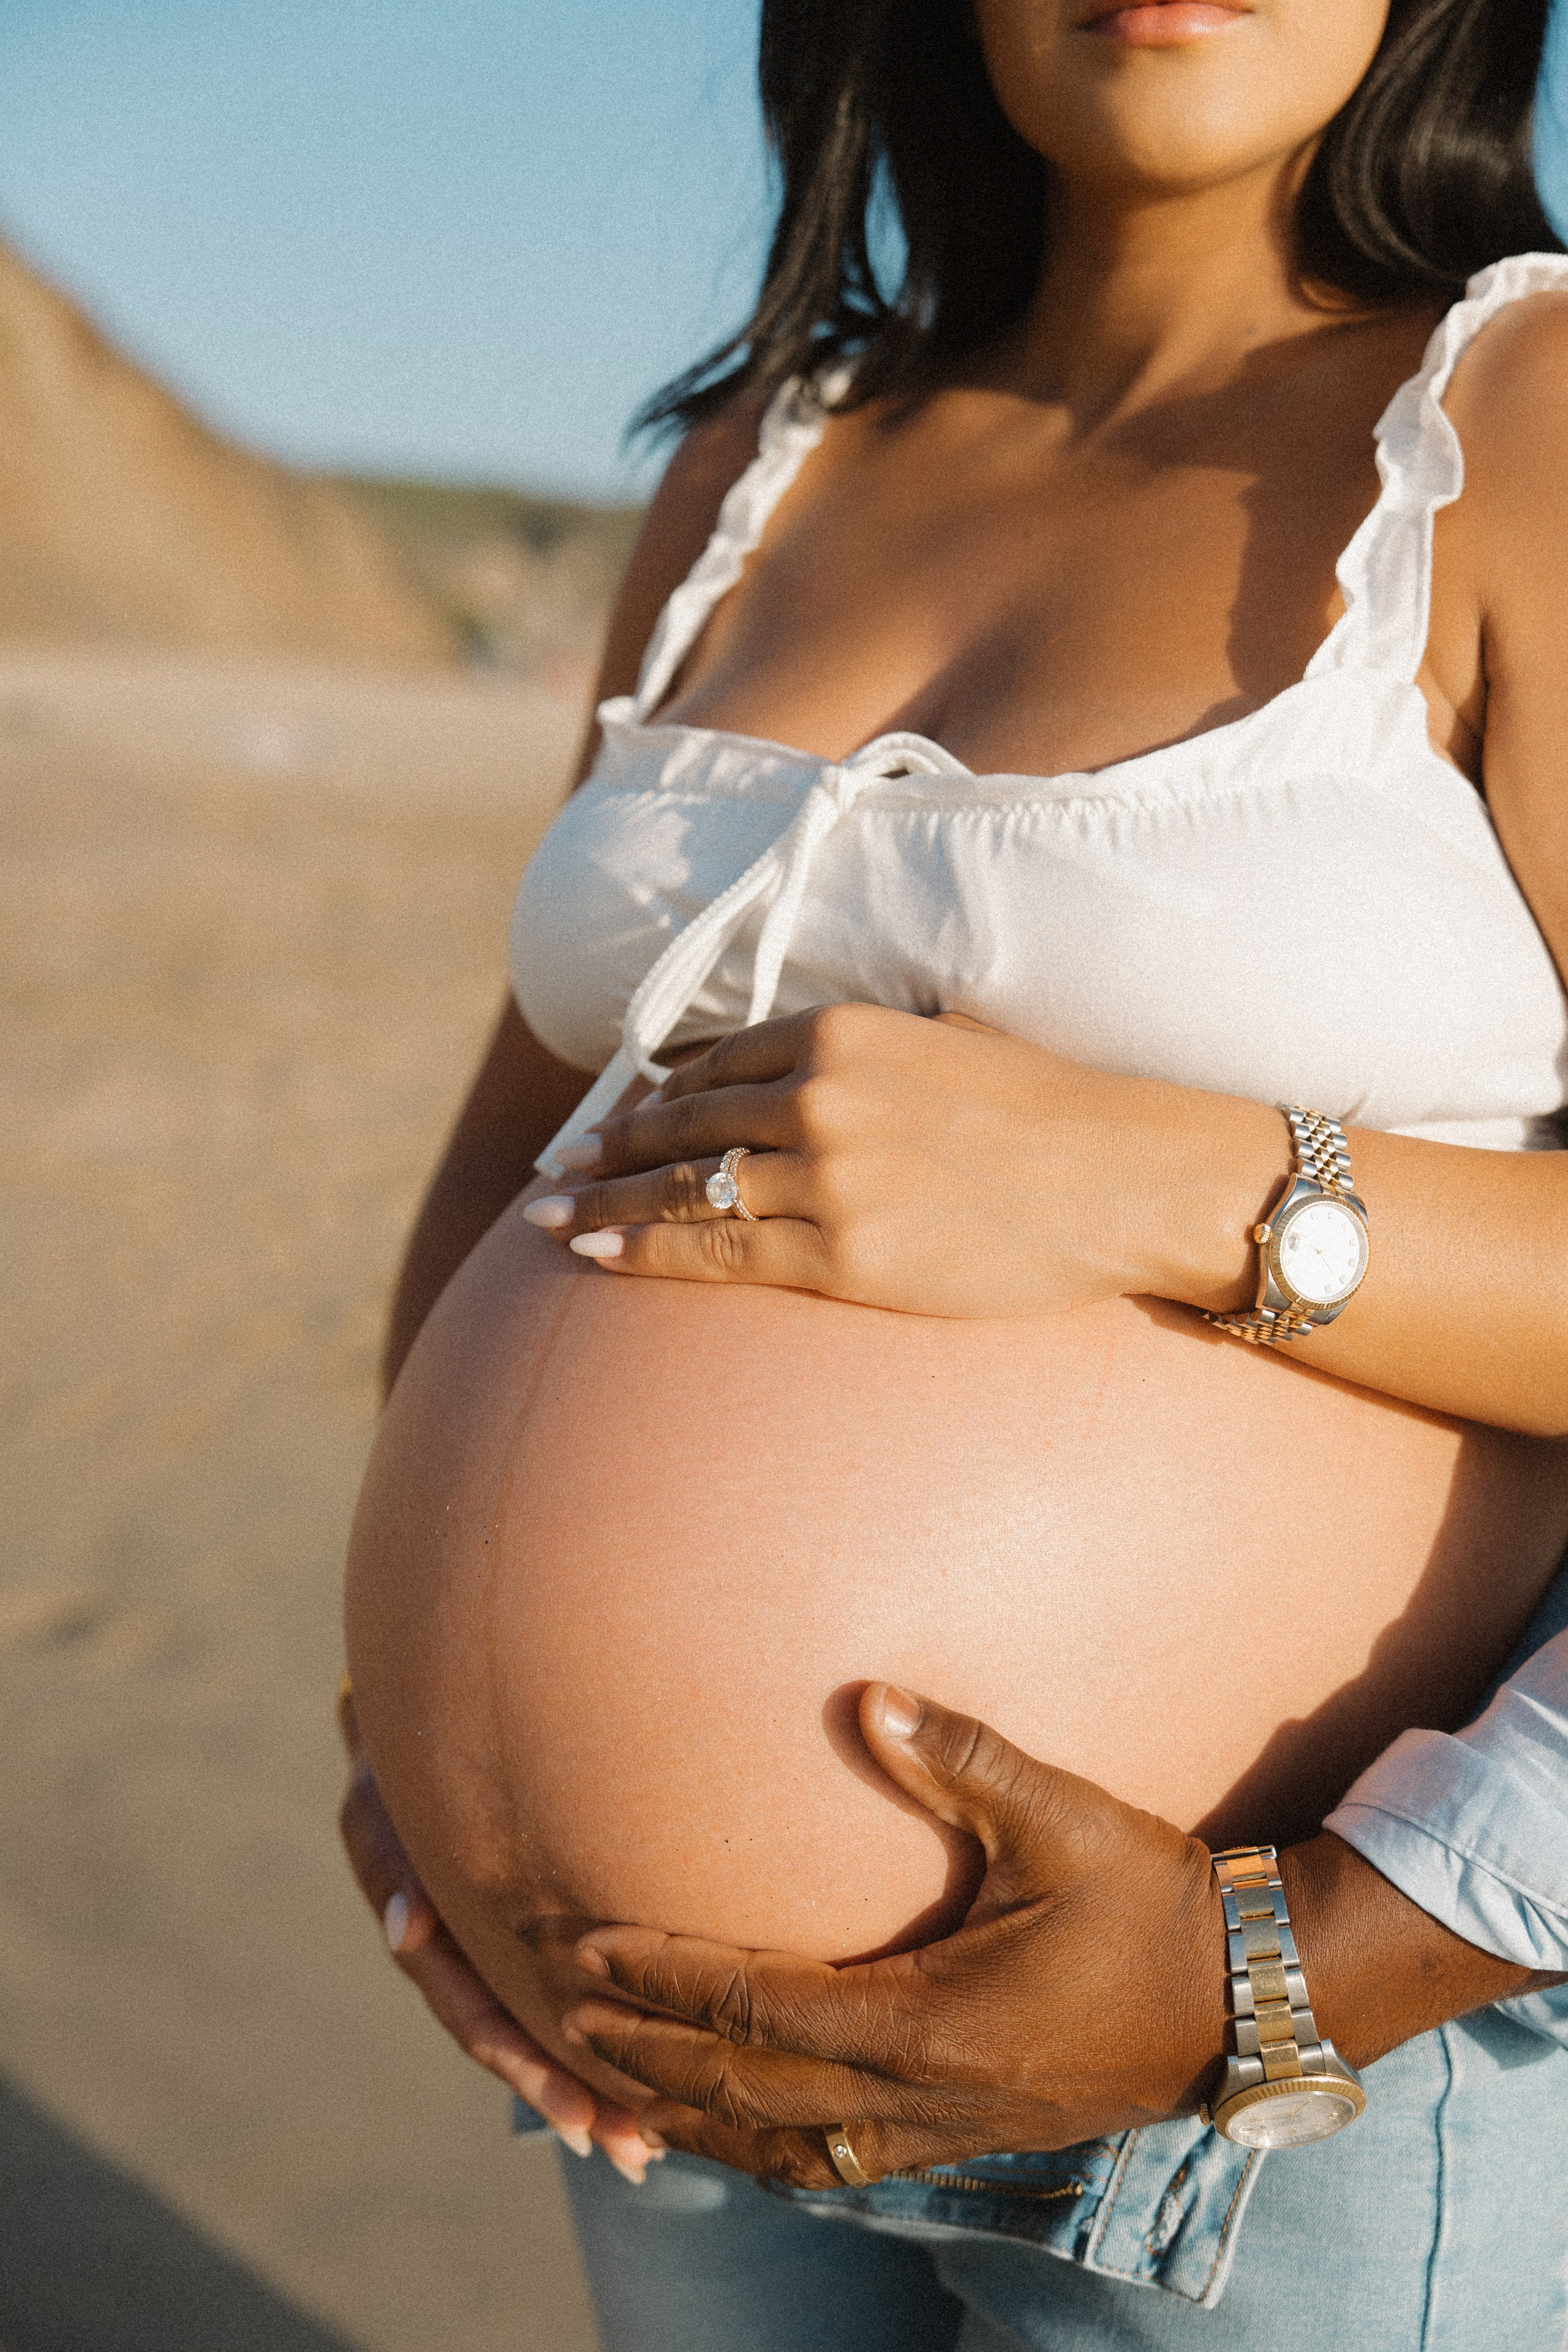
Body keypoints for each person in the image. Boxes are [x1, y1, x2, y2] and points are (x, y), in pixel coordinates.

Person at [340, 0, 1568, 2342]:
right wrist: (401, 1750)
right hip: (628, 2052)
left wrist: (1161, 1186)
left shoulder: (1528, 423)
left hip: (1252, 2105)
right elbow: (524, 1140)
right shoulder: (759, 462)